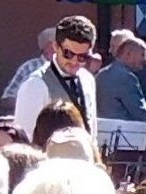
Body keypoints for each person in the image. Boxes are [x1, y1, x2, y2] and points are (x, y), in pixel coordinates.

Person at [9, 15, 104, 144]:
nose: (74, 61)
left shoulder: (88, 80)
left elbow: (92, 133)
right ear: (55, 46)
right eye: (68, 54)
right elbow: (23, 140)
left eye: (83, 57)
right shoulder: (35, 85)